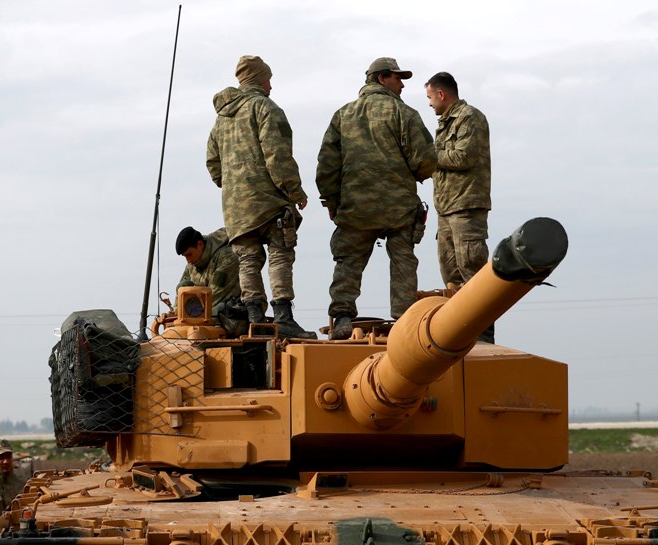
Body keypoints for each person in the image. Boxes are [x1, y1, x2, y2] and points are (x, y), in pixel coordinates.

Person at [317, 57, 437, 340]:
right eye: (397, 77)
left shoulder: (343, 115)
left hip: (356, 209)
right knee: (403, 262)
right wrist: (412, 174)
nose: (402, 83)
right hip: (399, 208)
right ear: (381, 79)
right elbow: (426, 159)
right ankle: (405, 323)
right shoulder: (404, 114)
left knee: (348, 263)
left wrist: (333, 204)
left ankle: (343, 319)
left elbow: (327, 167)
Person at [206, 55, 315, 340]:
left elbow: (212, 163)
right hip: (269, 202)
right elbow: (277, 156)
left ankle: (255, 319)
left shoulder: (220, 121)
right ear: (258, 79)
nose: (271, 85)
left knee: (248, 261)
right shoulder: (264, 107)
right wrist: (295, 191)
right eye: (268, 78)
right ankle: (283, 317)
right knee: (280, 253)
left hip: (236, 209)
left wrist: (232, 187)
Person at [425, 71, 493, 342]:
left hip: (466, 206)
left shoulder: (469, 117)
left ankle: (484, 336)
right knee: (451, 273)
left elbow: (464, 156)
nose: (429, 103)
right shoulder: (444, 123)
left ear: (442, 94)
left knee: (473, 272)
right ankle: (463, 334)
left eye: (430, 97)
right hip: (446, 208)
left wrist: (429, 156)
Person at [175, 225, 241, 318]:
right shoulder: (191, 265)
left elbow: (213, 295)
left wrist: (187, 311)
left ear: (200, 244)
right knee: (184, 285)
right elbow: (182, 293)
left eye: (189, 254)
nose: (188, 260)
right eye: (185, 256)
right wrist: (176, 311)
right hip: (201, 316)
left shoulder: (226, 257)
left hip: (230, 317)